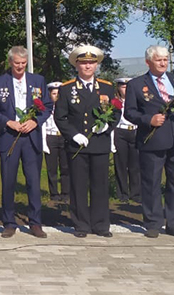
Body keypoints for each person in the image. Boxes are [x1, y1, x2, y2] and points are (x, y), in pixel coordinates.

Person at [0, 46, 52, 238]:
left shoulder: (38, 81)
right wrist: (9, 122)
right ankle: (8, 222)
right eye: (17, 64)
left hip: (31, 139)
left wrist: (35, 121)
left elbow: (47, 106)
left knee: (33, 182)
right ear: (10, 62)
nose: (20, 67)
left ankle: (35, 222)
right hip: (9, 137)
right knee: (8, 181)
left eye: (23, 64)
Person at [55, 45, 117, 238]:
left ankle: (100, 225)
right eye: (84, 63)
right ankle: (81, 224)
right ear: (77, 65)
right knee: (79, 186)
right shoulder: (67, 89)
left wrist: (107, 126)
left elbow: (116, 111)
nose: (88, 66)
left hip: (99, 143)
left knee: (100, 185)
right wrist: (74, 135)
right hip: (77, 145)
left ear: (96, 65)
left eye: (91, 63)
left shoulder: (107, 87)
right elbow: (60, 117)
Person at [124, 45, 174, 238]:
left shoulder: (173, 79)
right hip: (152, 139)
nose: (163, 63)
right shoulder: (137, 84)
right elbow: (129, 112)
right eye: (159, 59)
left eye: (165, 59)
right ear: (148, 62)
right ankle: (153, 223)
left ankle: (173, 223)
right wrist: (148, 120)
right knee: (151, 182)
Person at [112, 77, 140, 204]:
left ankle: (136, 193)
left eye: (128, 87)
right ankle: (122, 193)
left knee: (135, 165)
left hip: (134, 131)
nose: (126, 89)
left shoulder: (137, 101)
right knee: (121, 164)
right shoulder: (115, 102)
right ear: (118, 88)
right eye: (123, 86)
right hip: (120, 132)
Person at [42, 81, 69, 202]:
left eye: (58, 93)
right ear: (49, 94)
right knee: (52, 168)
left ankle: (66, 192)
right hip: (51, 137)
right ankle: (54, 193)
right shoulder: (45, 109)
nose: (56, 96)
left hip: (64, 137)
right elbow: (42, 125)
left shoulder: (66, 108)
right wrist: (44, 142)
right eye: (54, 93)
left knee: (65, 166)